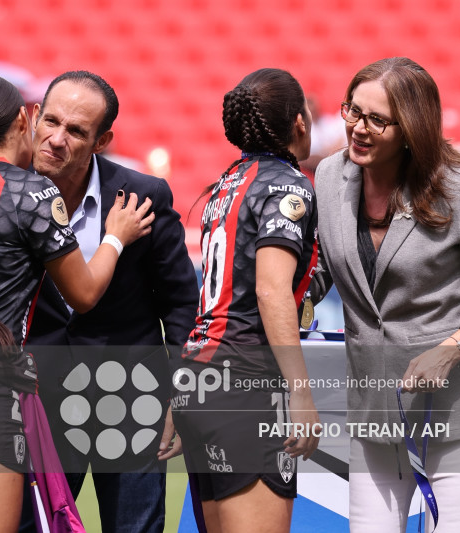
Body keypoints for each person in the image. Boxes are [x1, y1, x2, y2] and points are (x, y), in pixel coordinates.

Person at [0, 70, 199, 533]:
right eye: (51, 121)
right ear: (31, 117)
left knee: (135, 528)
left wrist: (183, 386)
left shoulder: (144, 195)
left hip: (132, 394)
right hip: (35, 398)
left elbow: (179, 301)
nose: (57, 139)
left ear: (102, 140)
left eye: (76, 131)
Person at [311, 57, 460, 532]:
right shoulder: (330, 177)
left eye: (377, 119)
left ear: (412, 128)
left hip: (456, 412)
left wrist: (452, 348)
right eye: (353, 111)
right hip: (371, 409)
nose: (358, 128)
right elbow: (329, 267)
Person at [171, 67, 320, 533]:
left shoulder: (226, 185)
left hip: (200, 379)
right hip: (244, 385)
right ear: (299, 121)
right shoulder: (286, 185)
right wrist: (300, 392)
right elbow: (270, 289)